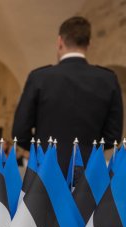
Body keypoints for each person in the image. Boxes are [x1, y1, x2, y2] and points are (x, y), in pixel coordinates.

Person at [12, 16, 123, 174]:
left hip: (46, 172)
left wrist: (43, 150)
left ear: (60, 41)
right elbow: (113, 136)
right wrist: (88, 151)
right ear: (88, 44)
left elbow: (19, 132)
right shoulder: (107, 79)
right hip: (89, 173)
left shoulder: (40, 78)